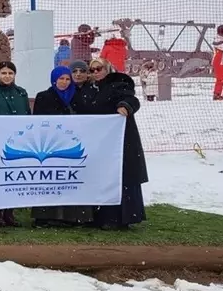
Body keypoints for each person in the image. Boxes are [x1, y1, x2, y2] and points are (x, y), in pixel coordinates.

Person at [78, 58, 148, 230]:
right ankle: (100, 216)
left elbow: (132, 99)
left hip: (121, 142)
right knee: (101, 178)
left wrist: (125, 106)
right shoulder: (88, 89)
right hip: (99, 143)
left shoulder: (119, 84)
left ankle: (121, 218)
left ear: (107, 68)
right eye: (92, 70)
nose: (96, 72)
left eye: (99, 68)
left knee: (121, 178)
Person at [30, 66, 94, 228]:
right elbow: (38, 120)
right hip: (51, 145)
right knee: (49, 179)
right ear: (54, 80)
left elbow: (86, 118)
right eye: (61, 79)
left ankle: (73, 217)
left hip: (72, 144)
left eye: (67, 79)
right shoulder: (44, 96)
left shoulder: (77, 96)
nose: (64, 82)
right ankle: (45, 216)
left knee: (71, 179)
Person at [0, 60, 29, 227]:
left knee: (14, 176)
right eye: (4, 73)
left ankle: (10, 212)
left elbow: (27, 114)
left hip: (18, 141)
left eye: (10, 73)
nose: (7, 76)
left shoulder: (21, 93)